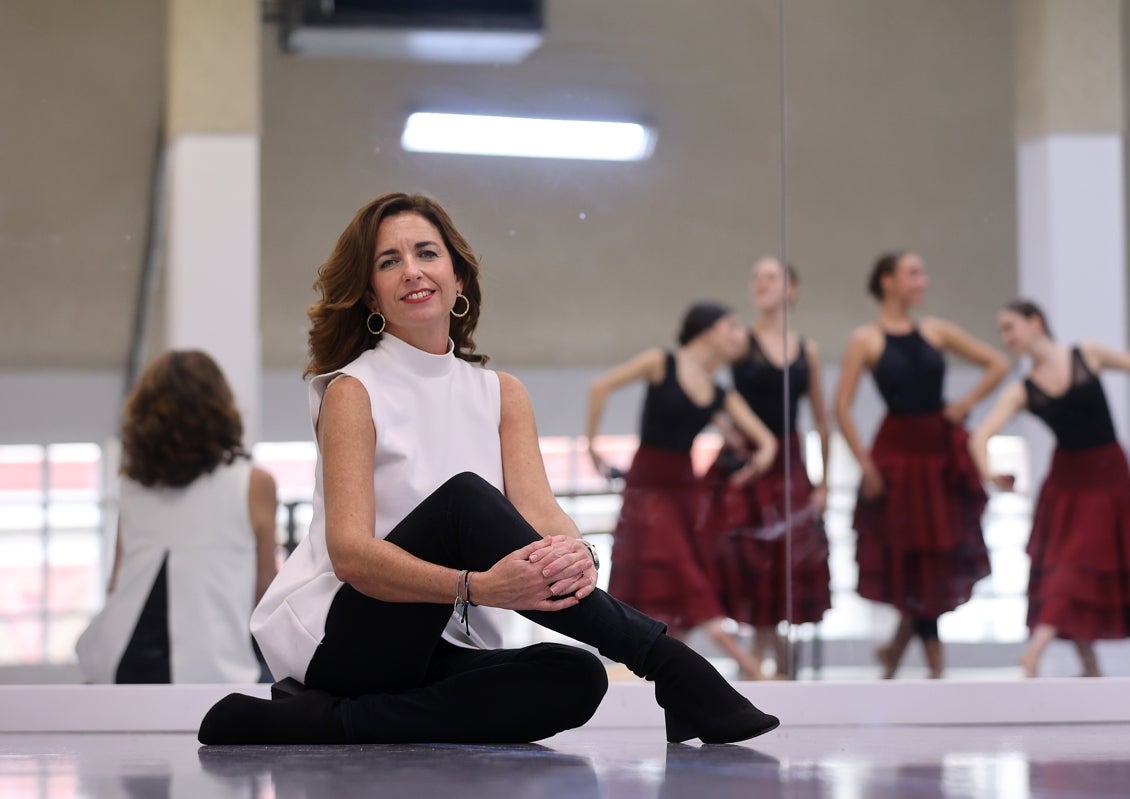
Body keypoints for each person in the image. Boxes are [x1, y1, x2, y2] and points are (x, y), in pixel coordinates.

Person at [198, 193, 778, 746]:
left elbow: (540, 513)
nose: (412, 271)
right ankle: (667, 661)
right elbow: (350, 554)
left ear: (458, 280)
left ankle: (326, 723)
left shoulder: (501, 393)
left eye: (427, 253)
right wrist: (475, 587)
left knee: (577, 679)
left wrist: (577, 552)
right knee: (464, 502)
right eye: (389, 261)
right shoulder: (354, 391)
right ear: (371, 297)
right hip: (346, 637)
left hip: (442, 646)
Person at [968, 300, 1130, 677]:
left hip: (1108, 476)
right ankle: (1083, 665)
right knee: (1066, 567)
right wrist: (991, 473)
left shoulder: (1089, 354)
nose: (1006, 337)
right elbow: (981, 436)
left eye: (1010, 327)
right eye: (1002, 330)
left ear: (1035, 322)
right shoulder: (1023, 390)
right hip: (1066, 485)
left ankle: (1039, 652)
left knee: (1082, 565)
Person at [834, 251, 1008, 678]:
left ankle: (900, 658)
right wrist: (865, 465)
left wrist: (965, 404)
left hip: (939, 456)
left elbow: (998, 363)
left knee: (934, 561)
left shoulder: (936, 330)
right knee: (913, 562)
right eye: (914, 273)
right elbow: (841, 407)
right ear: (887, 281)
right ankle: (928, 670)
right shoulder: (866, 339)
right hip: (896, 458)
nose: (923, 280)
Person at [586, 302, 778, 679]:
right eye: (731, 326)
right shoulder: (662, 361)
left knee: (683, 579)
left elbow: (766, 441)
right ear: (707, 330)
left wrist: (755, 465)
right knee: (682, 574)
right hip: (648, 488)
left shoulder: (720, 393)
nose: (739, 335)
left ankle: (666, 669)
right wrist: (591, 445)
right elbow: (599, 387)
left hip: (686, 492)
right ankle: (751, 668)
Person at [75, 350, 279, 683]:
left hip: (121, 661)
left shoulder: (132, 484)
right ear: (219, 410)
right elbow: (265, 590)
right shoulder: (254, 483)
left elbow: (117, 582)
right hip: (215, 665)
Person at [703, 257, 832, 677]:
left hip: (790, 465)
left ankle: (772, 666)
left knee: (785, 563)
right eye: (755, 276)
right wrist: (729, 428)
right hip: (750, 467)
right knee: (751, 562)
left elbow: (821, 418)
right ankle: (760, 668)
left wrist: (826, 480)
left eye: (771, 277)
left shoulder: (805, 349)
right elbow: (699, 382)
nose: (761, 283)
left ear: (791, 289)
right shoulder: (740, 341)